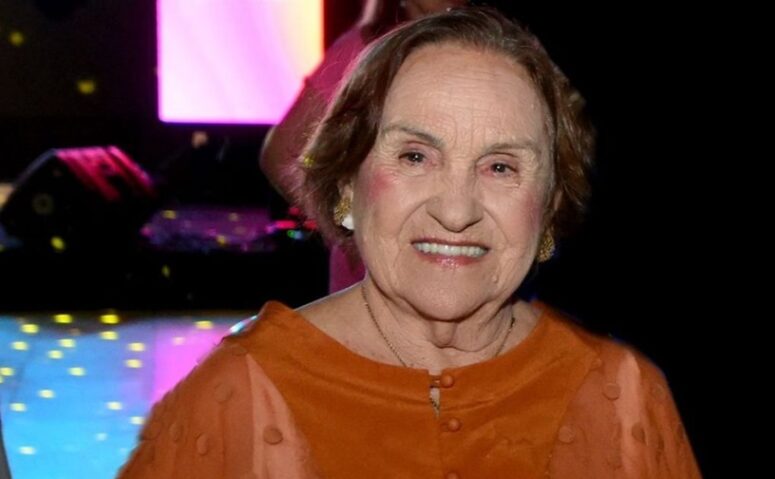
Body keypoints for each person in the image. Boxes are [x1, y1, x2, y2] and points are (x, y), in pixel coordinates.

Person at [118, 8, 702, 478]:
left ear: (549, 207)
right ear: (347, 184)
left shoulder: (623, 396)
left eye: (501, 166)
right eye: (415, 156)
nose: (456, 211)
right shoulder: (237, 396)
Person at [260, 0, 467, 294]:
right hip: (370, 287)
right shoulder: (363, 50)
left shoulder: (488, 49)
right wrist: (346, 227)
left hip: (461, 269)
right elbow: (281, 154)